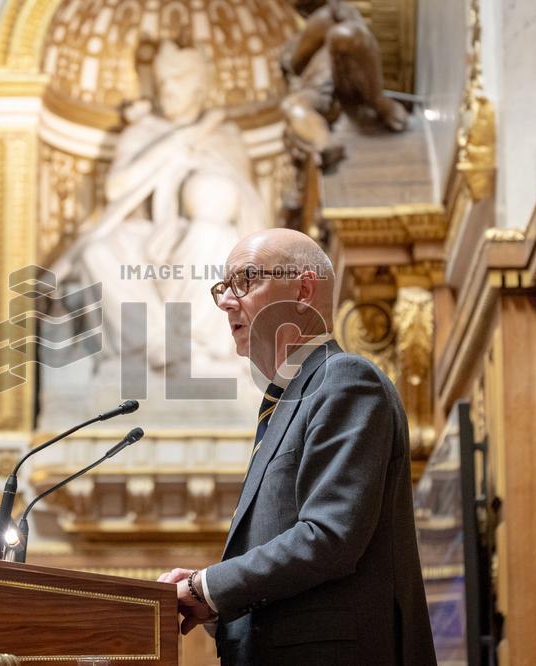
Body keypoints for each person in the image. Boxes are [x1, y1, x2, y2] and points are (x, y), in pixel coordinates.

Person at [158, 228, 436, 664]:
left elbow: (328, 537)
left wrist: (206, 588)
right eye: (222, 289)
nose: (227, 301)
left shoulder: (344, 379)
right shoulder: (289, 398)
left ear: (304, 290)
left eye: (246, 280)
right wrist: (209, 597)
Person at [52, 41, 265, 374]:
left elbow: (245, 203)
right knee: (98, 254)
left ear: (199, 87)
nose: (168, 87)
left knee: (218, 240)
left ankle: (195, 346)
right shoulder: (141, 132)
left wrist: (199, 171)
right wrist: (177, 145)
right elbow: (116, 188)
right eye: (163, 80)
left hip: (197, 235)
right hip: (142, 237)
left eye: (178, 78)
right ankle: (147, 351)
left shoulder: (224, 135)